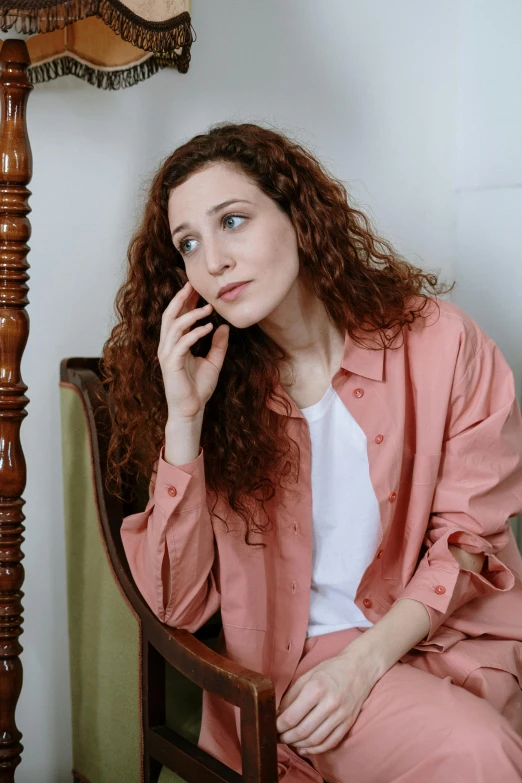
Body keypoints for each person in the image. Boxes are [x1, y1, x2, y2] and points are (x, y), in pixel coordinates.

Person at [101, 122, 522, 783]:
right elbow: (175, 609)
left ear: (298, 214)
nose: (213, 260)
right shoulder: (217, 399)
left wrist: (364, 664)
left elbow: (469, 538)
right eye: (189, 243)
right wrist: (183, 418)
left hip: (448, 638)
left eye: (232, 221)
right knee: (480, 755)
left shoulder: (443, 344)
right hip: (296, 673)